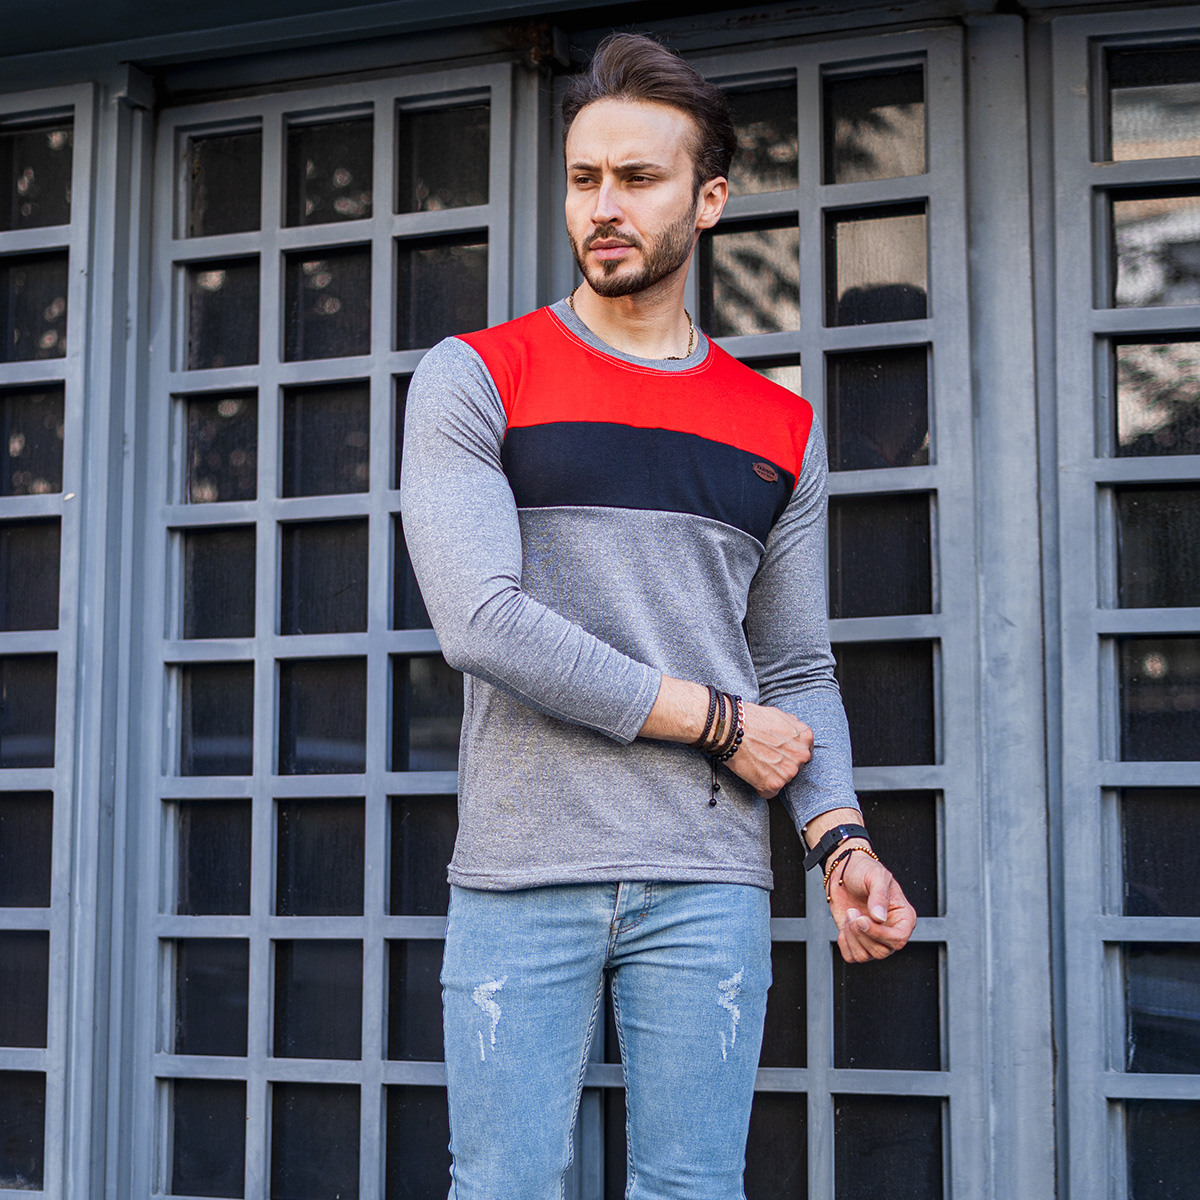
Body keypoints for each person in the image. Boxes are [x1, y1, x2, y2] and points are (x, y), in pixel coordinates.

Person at [400, 31, 917, 1200]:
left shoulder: (777, 425)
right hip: (522, 871)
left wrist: (839, 838)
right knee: (503, 1189)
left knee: (695, 1190)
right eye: (584, 178)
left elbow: (796, 666)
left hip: (707, 878)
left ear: (709, 199)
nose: (604, 207)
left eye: (638, 178)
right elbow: (482, 620)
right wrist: (716, 723)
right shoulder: (477, 376)